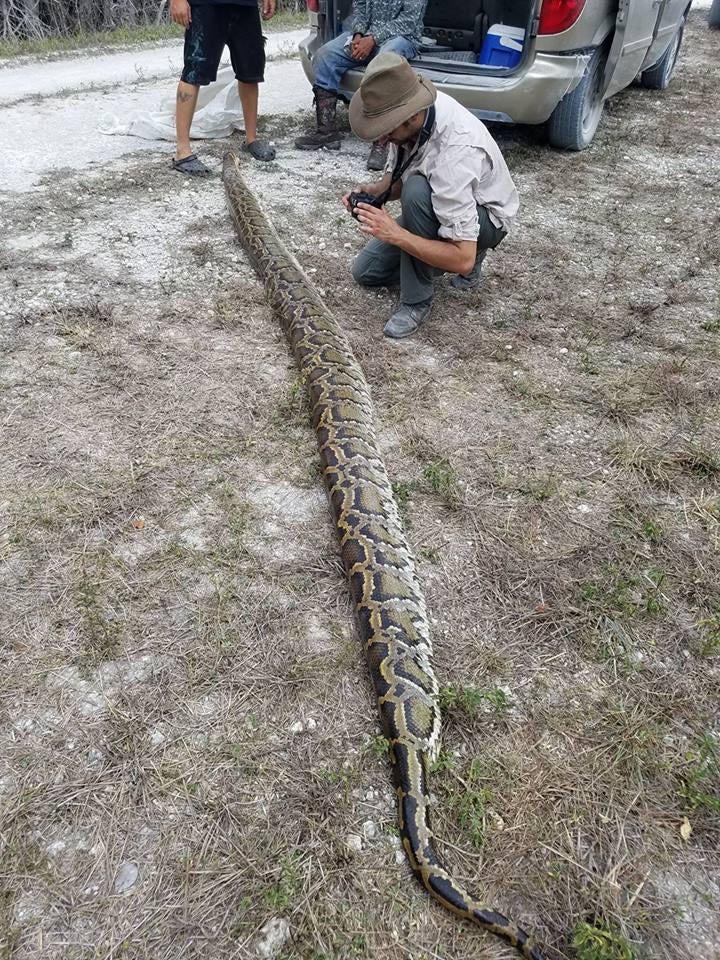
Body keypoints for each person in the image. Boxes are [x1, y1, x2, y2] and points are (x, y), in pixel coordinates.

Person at [344, 53, 519, 339]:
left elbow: (461, 259)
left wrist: (397, 235)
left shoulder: (455, 152)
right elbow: (401, 174)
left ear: (412, 116)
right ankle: (446, 249)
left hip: (486, 218)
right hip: (443, 204)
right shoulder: (411, 115)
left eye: (386, 128)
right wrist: (376, 192)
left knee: (416, 191)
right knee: (366, 272)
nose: (381, 138)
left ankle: (416, 301)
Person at [295, 0, 427, 171]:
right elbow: (359, 7)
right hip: (367, 36)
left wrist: (373, 39)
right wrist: (358, 34)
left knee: (384, 61)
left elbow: (409, 21)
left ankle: (382, 141)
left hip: (401, 37)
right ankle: (326, 132)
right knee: (325, 55)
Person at [170, 0, 277, 175]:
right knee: (194, 71)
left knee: (250, 71)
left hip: (245, 6)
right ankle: (182, 151)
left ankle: (251, 139)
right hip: (206, 6)